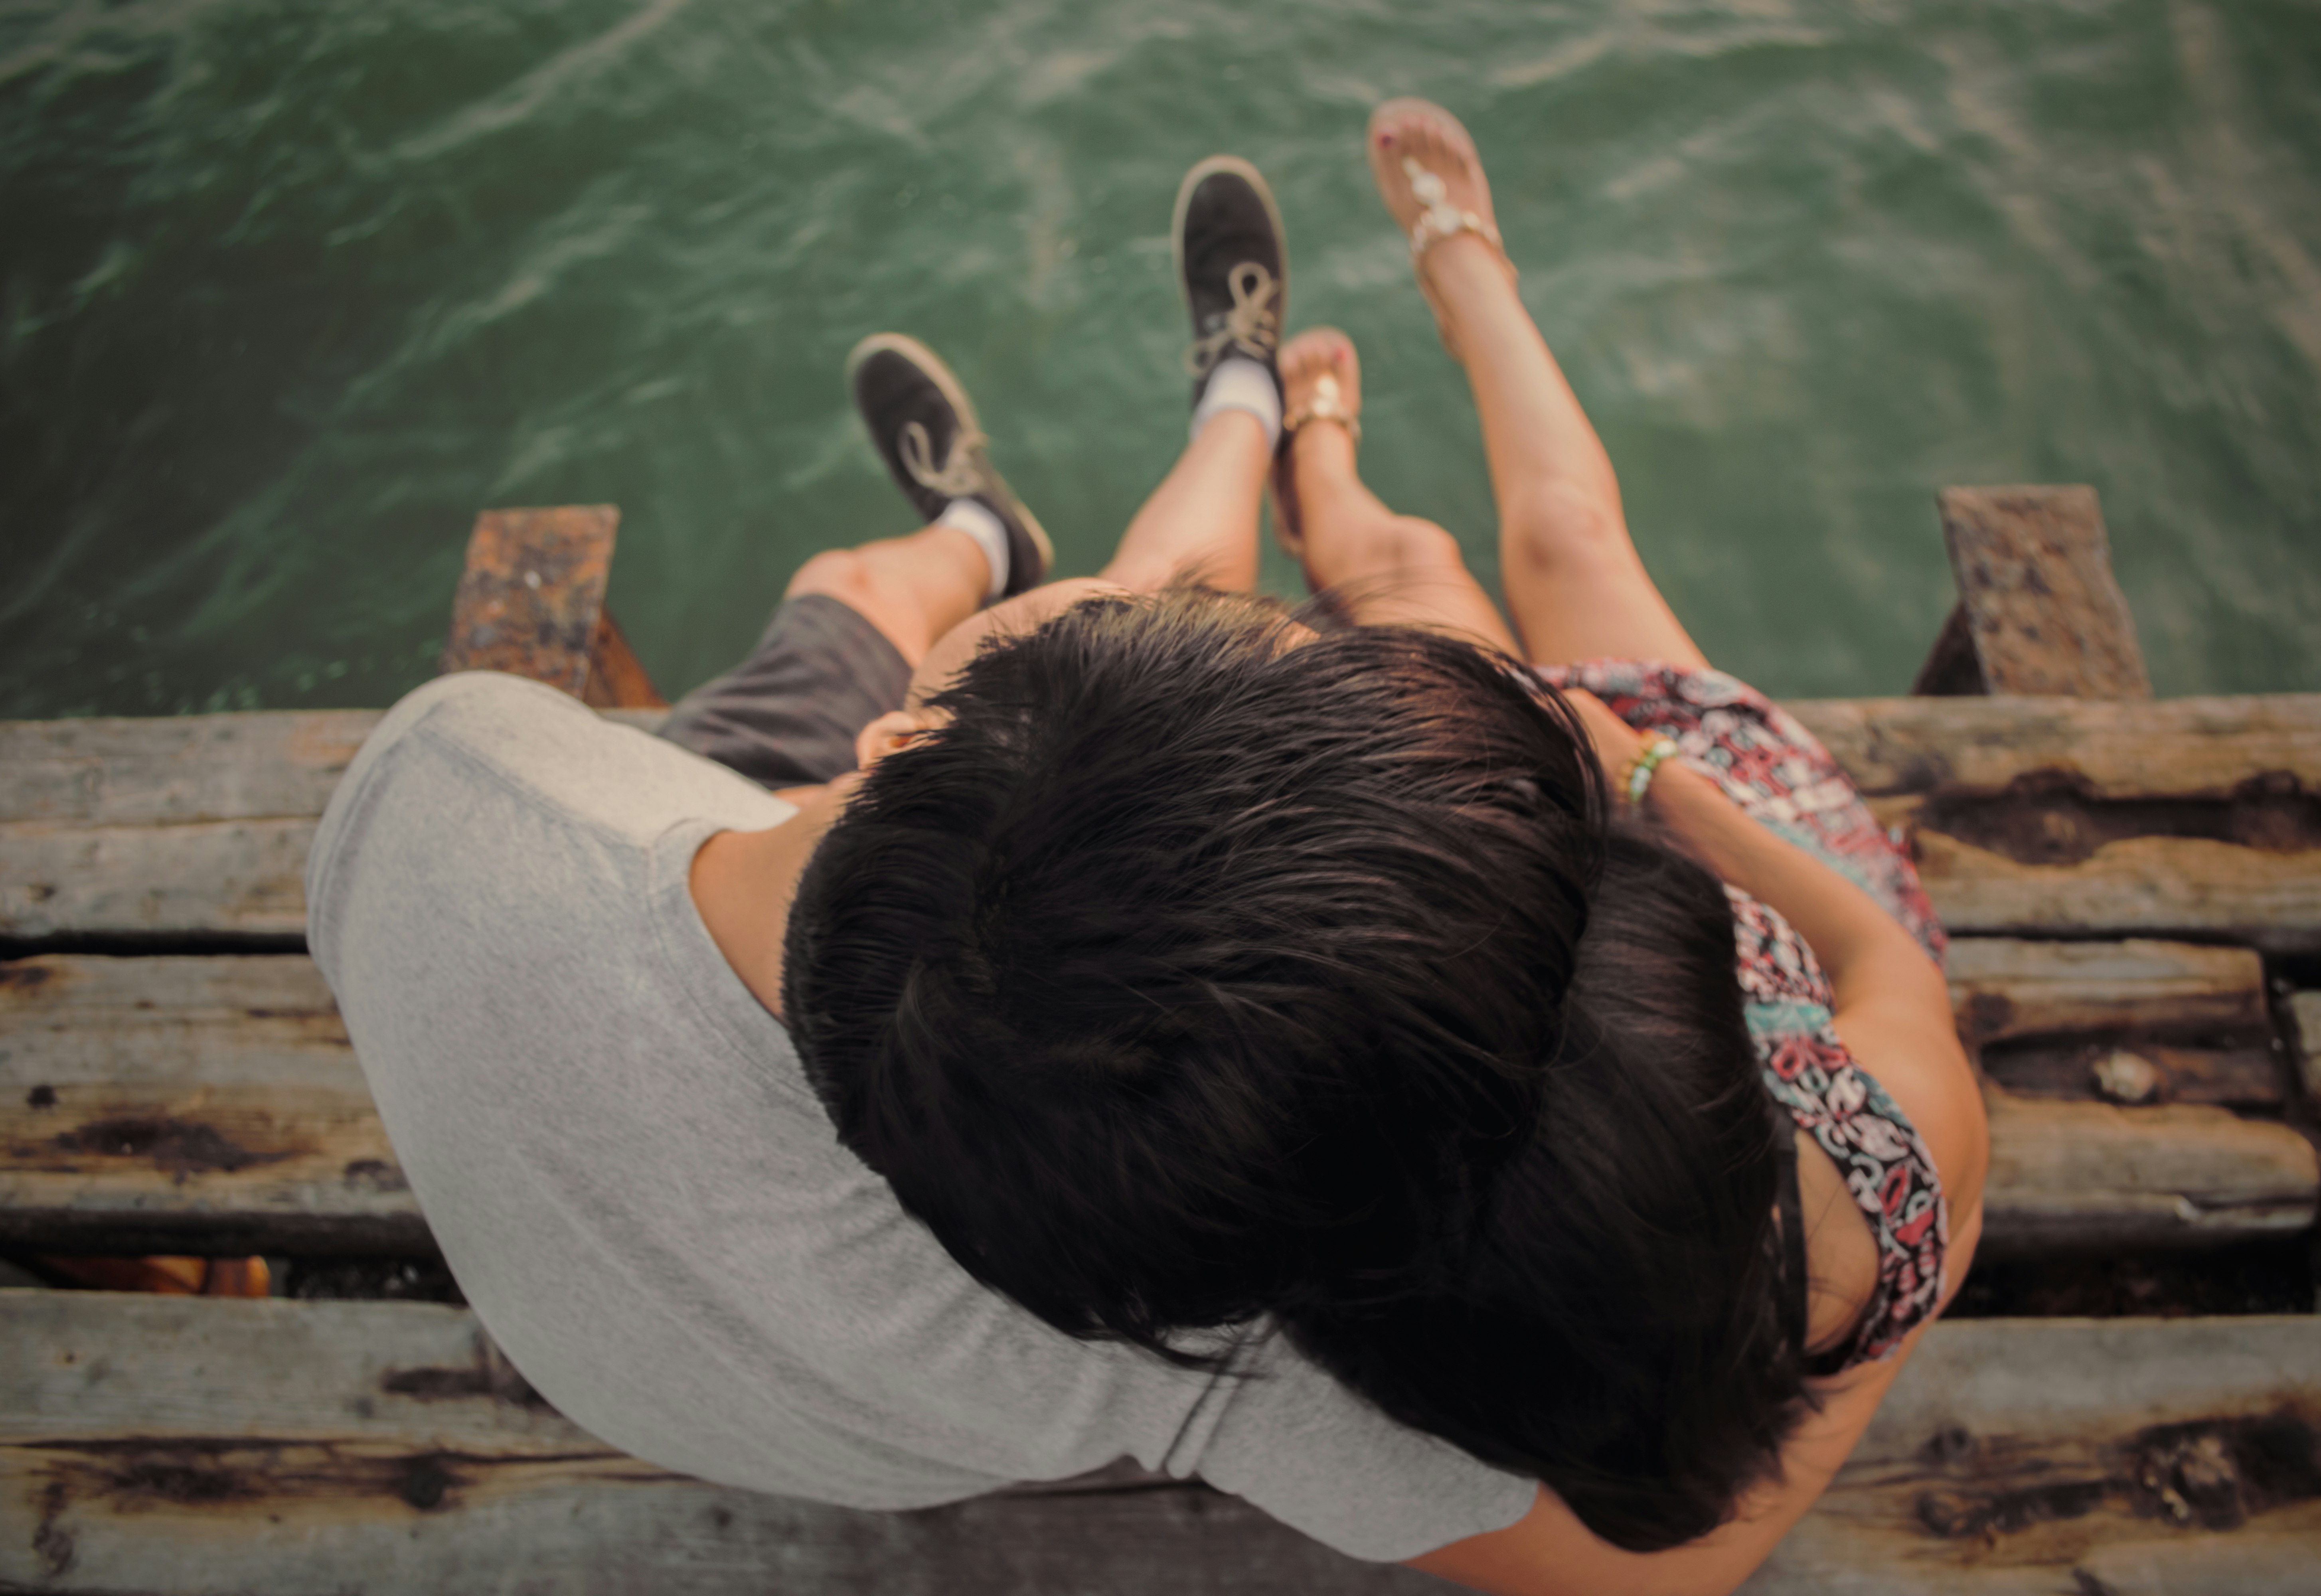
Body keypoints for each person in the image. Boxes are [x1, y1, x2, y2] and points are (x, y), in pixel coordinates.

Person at [306, 154, 1607, 1568]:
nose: (1150, 603)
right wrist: (1895, 1044)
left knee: (850, 591)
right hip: (826, 1375)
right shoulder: (1169, 1297)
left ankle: (983, 532)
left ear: (886, 749)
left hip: (686, 900)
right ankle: (1216, 412)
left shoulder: (456, 769)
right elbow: (1655, 1572)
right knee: (1050, 610)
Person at [798, 101, 1990, 1595]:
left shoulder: (1359, 1287)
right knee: (1556, 543)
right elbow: (1880, 956)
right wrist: (1668, 795)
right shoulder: (1890, 1174)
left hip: (1510, 844)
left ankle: (1302, 460)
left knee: (1420, 581)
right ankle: (1444, 296)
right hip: (1732, 820)